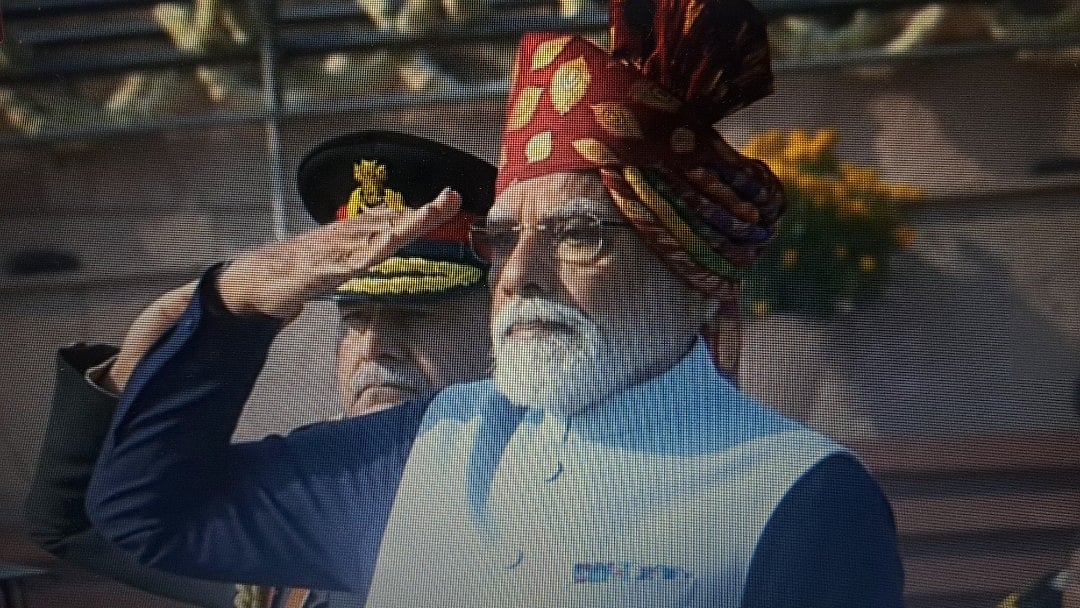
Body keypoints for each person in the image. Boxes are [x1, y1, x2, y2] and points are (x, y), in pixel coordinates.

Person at [88, 1, 904, 606]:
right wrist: (233, 308)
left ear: (688, 269)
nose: (520, 275)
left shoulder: (794, 491)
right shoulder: (427, 446)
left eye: (579, 234)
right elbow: (149, 511)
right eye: (507, 239)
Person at [29, 131, 496, 608]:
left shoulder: (540, 484)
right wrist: (143, 362)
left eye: (417, 318)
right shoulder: (307, 485)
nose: (375, 350)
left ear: (505, 333)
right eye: (356, 320)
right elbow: (79, 527)